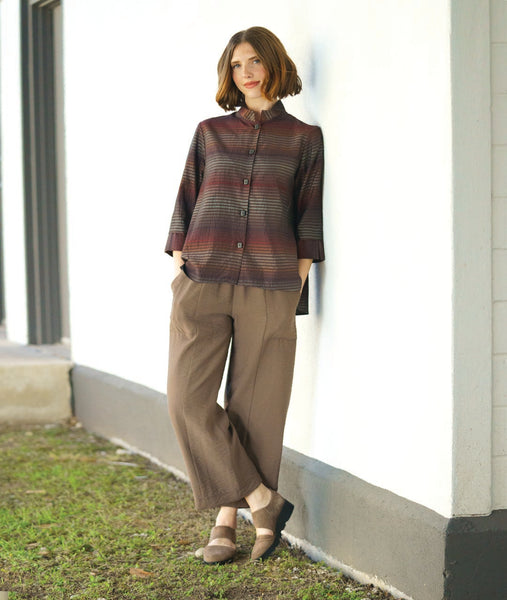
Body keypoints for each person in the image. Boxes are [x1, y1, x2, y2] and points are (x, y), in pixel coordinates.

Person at [165, 26, 324, 565]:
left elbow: (307, 212)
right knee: (186, 400)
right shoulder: (210, 131)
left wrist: (299, 274)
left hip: (271, 279)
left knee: (256, 406)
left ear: (273, 64)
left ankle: (225, 523)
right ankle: (262, 500)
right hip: (204, 276)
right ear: (228, 74)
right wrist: (178, 253)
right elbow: (187, 194)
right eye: (237, 65)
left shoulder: (304, 138)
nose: (247, 72)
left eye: (255, 61)